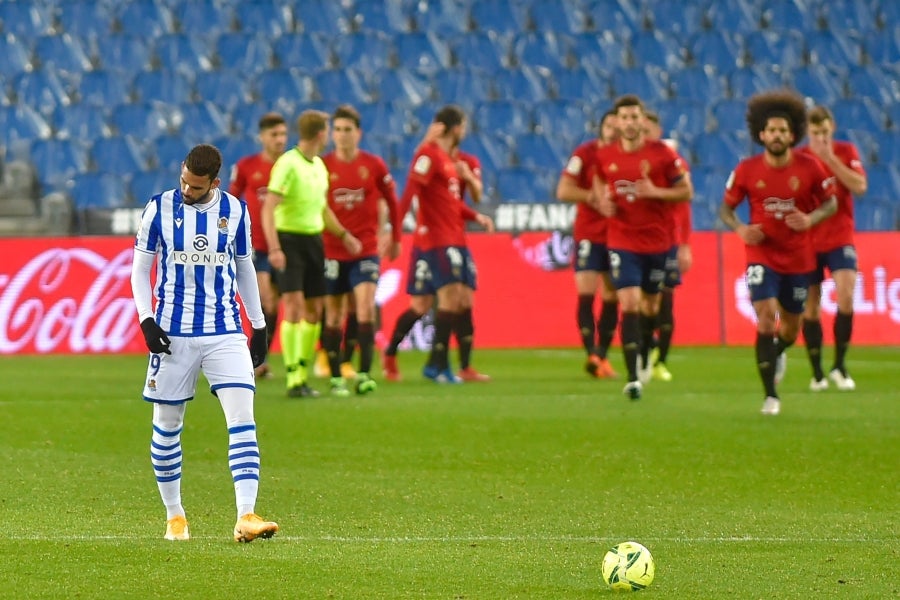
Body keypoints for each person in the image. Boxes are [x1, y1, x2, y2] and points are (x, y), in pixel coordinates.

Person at [131, 143, 278, 543]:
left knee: (243, 420)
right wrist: (146, 320)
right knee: (166, 426)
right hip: (171, 333)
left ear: (214, 182)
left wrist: (259, 324)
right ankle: (175, 515)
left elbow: (244, 266)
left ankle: (245, 514)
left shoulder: (236, 211)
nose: (186, 191)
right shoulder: (157, 208)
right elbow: (140, 268)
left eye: (195, 187)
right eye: (183, 182)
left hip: (224, 330)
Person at [719, 90, 837, 416]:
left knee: (790, 328)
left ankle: (779, 351)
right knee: (766, 315)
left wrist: (810, 218)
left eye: (783, 131)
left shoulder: (810, 168)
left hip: (798, 258)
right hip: (761, 255)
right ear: (761, 134)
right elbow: (726, 210)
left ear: (792, 135)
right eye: (772, 130)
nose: (777, 135)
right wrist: (741, 229)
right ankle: (771, 396)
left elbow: (832, 202)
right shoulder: (746, 170)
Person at [592, 94, 693, 400]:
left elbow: (686, 191)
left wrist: (656, 191)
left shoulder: (662, 154)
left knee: (651, 306)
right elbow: (599, 181)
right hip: (622, 240)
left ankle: (648, 349)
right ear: (618, 122)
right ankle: (633, 376)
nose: (630, 123)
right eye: (624, 118)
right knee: (631, 302)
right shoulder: (605, 155)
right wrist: (603, 202)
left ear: (642, 121)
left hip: (658, 242)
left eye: (635, 117)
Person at [383, 115, 495, 383]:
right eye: (463, 127)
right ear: (454, 128)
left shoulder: (452, 162)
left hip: (456, 237)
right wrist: (395, 233)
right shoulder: (429, 155)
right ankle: (433, 365)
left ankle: (454, 365)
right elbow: (409, 191)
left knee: (462, 299)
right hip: (434, 239)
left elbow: (452, 203)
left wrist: (474, 216)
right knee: (433, 302)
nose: (465, 132)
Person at [261, 110, 362, 398]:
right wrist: (275, 248)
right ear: (321, 134)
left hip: (314, 242)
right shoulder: (287, 164)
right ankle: (294, 377)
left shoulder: (318, 165)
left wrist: (343, 235)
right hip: (289, 239)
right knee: (292, 306)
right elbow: (269, 208)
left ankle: (302, 374)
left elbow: (322, 208)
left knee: (315, 310)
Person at [321, 104, 402, 396]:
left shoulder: (374, 165)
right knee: (334, 314)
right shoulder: (323, 166)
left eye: (347, 130)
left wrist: (394, 235)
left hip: (366, 249)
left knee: (365, 308)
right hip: (332, 250)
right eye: (337, 130)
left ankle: (365, 373)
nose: (342, 135)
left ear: (359, 133)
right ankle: (336, 375)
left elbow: (393, 200)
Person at [797, 105, 867, 392]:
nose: (821, 138)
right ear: (807, 133)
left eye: (825, 132)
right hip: (809, 240)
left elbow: (860, 186)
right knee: (810, 307)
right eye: (815, 133)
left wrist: (831, 160)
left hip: (840, 237)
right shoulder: (799, 158)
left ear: (832, 128)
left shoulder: (846, 151)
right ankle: (817, 373)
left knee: (847, 293)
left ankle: (840, 365)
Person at [556, 109, 619, 380]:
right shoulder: (585, 154)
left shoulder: (629, 159)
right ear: (602, 127)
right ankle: (592, 353)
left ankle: (601, 356)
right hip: (589, 234)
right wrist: (591, 197)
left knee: (612, 296)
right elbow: (563, 190)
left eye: (618, 126)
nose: (613, 130)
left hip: (619, 235)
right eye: (609, 124)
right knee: (585, 293)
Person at [228, 112, 288, 379]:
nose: (280, 140)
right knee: (266, 300)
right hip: (257, 245)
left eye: (283, 134)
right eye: (274, 135)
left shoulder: (291, 165)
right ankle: (256, 360)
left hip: (288, 243)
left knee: (276, 305)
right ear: (262, 137)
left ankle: (260, 358)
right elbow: (230, 200)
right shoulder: (247, 166)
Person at [643, 110, 693, 382]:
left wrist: (684, 244)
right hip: (637, 242)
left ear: (659, 130)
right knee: (639, 301)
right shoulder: (631, 160)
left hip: (668, 241)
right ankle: (646, 349)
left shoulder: (672, 161)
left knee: (666, 300)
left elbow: (683, 205)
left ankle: (661, 360)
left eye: (651, 128)